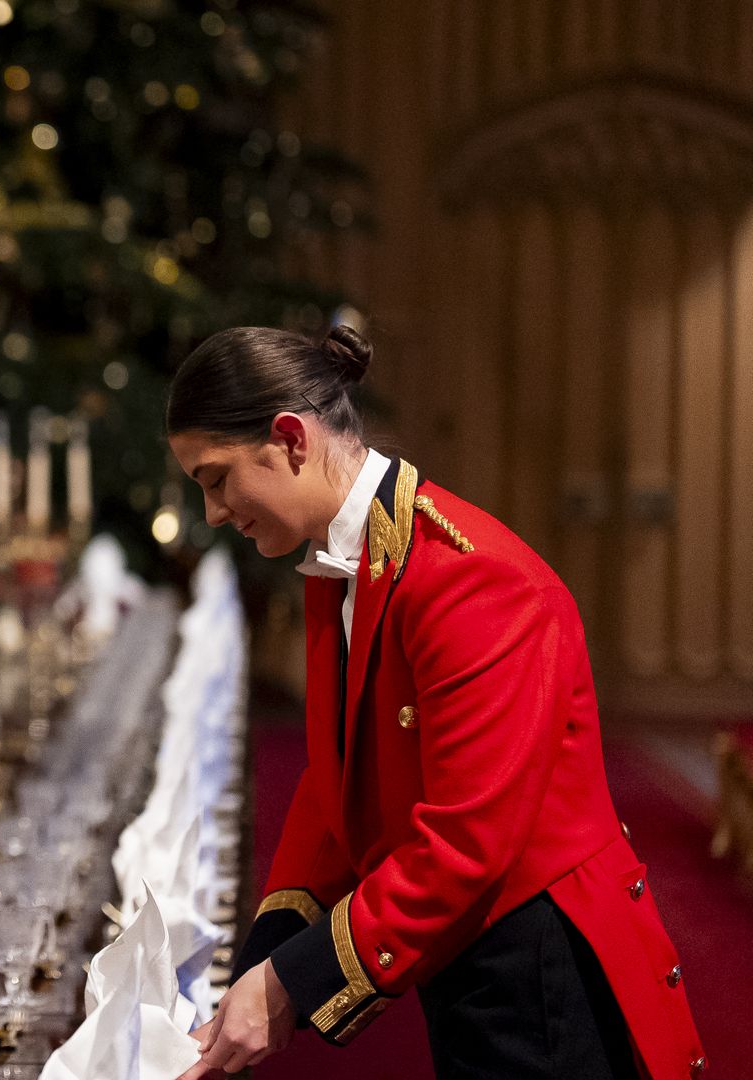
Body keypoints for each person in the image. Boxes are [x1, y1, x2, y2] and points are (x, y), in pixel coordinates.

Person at [164, 325, 704, 1079]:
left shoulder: (471, 580)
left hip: (542, 966)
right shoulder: (350, 555)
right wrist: (259, 963)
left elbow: (466, 841)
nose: (215, 511)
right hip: (466, 944)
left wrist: (291, 982)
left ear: (289, 439)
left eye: (216, 478)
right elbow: (335, 780)